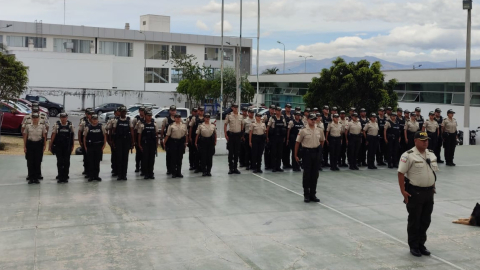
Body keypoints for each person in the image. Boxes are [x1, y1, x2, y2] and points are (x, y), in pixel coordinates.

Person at [398, 131, 438, 257]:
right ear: (415, 140)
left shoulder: (431, 153)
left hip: (428, 192)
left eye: (426, 140)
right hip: (415, 192)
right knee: (415, 220)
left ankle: (421, 244)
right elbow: (400, 173)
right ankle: (414, 246)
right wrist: (403, 191)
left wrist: (433, 185)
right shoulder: (408, 155)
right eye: (422, 140)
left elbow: (431, 172)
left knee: (426, 220)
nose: (425, 142)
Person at [295, 114, 325, 203]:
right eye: (311, 119)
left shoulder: (319, 130)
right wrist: (295, 155)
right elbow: (297, 143)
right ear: (307, 120)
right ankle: (306, 195)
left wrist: (319, 151)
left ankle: (313, 194)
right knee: (307, 174)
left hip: (316, 154)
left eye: (314, 119)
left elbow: (322, 141)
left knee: (315, 174)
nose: (313, 121)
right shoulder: (303, 130)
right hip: (307, 154)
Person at [49, 113, 74, 183]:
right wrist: (50, 145)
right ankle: (60, 176)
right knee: (60, 161)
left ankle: (65, 176)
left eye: (65, 117)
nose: (63, 119)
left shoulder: (70, 125)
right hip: (59, 146)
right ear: (60, 118)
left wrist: (72, 145)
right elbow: (53, 135)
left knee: (66, 161)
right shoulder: (57, 125)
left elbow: (72, 135)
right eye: (62, 117)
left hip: (67, 147)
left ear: (67, 118)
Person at [23, 113, 47, 184]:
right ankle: (31, 177)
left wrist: (44, 145)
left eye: (36, 118)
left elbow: (44, 136)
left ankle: (36, 177)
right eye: (33, 118)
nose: (35, 119)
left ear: (38, 119)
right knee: (30, 162)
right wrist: (24, 146)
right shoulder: (28, 126)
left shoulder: (42, 126)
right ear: (32, 119)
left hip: (38, 145)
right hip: (30, 144)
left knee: (37, 161)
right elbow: (25, 136)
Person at [112, 106, 135, 180]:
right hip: (119, 141)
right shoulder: (116, 120)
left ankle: (124, 175)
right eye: (122, 112)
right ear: (120, 112)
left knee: (125, 158)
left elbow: (131, 131)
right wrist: (113, 142)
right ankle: (119, 174)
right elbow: (114, 131)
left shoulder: (129, 120)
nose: (123, 113)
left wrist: (132, 141)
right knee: (119, 158)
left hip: (126, 141)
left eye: (125, 112)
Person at [83, 114, 107, 182]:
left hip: (98, 146)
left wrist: (104, 145)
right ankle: (91, 176)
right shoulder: (88, 127)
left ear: (98, 120)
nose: (95, 121)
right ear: (91, 120)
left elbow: (105, 135)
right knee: (91, 162)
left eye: (96, 119)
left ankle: (96, 176)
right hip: (90, 147)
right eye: (93, 119)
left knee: (97, 162)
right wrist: (85, 146)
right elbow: (84, 137)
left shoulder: (101, 126)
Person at [165, 113, 188, 178]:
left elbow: (186, 135)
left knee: (180, 158)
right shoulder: (171, 126)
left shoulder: (184, 125)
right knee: (173, 158)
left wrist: (186, 143)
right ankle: (173, 173)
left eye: (179, 117)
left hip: (181, 143)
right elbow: (167, 135)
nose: (178, 119)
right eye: (177, 117)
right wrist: (164, 143)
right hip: (173, 143)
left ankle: (179, 172)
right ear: (174, 118)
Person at [138, 111, 159, 179]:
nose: (150, 117)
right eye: (148, 116)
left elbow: (156, 134)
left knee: (151, 159)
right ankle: (146, 173)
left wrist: (157, 143)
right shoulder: (142, 125)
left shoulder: (154, 125)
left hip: (152, 144)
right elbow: (139, 135)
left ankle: (151, 173)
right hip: (145, 144)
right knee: (145, 159)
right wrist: (139, 144)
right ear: (145, 116)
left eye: (150, 116)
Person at [225, 103, 244, 174]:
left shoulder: (240, 116)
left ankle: (235, 168)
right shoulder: (229, 115)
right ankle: (230, 168)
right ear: (232, 108)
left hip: (238, 136)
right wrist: (225, 135)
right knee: (231, 153)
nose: (236, 108)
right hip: (231, 136)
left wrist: (242, 134)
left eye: (237, 107)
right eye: (234, 107)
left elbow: (242, 125)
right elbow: (225, 125)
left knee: (237, 153)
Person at [267, 107, 287, 172]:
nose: (279, 112)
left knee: (279, 153)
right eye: (278, 111)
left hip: (280, 138)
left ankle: (278, 166)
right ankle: (273, 167)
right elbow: (268, 128)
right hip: (274, 138)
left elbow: (284, 128)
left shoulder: (282, 118)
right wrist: (267, 137)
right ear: (275, 111)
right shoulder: (272, 118)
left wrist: (284, 137)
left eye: (280, 110)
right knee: (273, 153)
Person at [161, 105, 177, 175]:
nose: (173, 112)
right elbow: (162, 129)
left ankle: (175, 168)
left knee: (176, 155)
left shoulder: (178, 118)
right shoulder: (166, 119)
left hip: (176, 139)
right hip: (169, 140)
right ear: (169, 111)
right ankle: (169, 169)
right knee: (169, 155)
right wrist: (161, 139)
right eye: (172, 110)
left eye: (174, 110)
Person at [189, 107, 205, 173]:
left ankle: (202, 166)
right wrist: (189, 136)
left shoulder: (205, 118)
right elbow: (191, 128)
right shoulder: (194, 118)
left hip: (203, 138)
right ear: (198, 111)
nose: (201, 112)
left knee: (203, 153)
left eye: (202, 111)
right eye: (200, 111)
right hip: (195, 138)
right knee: (196, 153)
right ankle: (196, 167)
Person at [78, 108, 93, 176]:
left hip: (93, 141)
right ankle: (86, 170)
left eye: (92, 113)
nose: (91, 115)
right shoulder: (83, 121)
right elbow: (80, 131)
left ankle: (91, 170)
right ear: (86, 114)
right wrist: (80, 141)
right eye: (89, 113)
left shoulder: (95, 120)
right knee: (86, 156)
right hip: (85, 141)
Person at [107, 109, 121, 177]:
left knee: (121, 157)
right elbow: (108, 129)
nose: (119, 113)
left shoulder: (125, 120)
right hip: (114, 140)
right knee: (114, 156)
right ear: (115, 113)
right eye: (118, 111)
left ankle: (120, 170)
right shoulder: (112, 120)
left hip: (121, 141)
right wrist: (109, 140)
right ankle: (114, 170)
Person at [132, 106, 146, 173]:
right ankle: (137, 166)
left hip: (145, 138)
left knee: (144, 155)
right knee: (138, 155)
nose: (142, 112)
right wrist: (134, 141)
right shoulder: (136, 119)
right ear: (139, 111)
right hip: (138, 138)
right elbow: (134, 130)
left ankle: (143, 167)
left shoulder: (147, 118)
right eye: (141, 110)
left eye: (143, 110)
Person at [263, 105, 276, 170]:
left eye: (274, 109)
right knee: (267, 150)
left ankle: (272, 164)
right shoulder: (266, 115)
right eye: (272, 109)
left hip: (273, 135)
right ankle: (267, 165)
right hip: (268, 135)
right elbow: (262, 123)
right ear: (269, 109)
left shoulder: (275, 116)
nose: (273, 110)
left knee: (273, 151)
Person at [282, 104, 294, 169]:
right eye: (288, 107)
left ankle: (288, 163)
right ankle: (284, 163)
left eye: (290, 107)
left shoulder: (292, 116)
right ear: (285, 108)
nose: (289, 109)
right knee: (284, 150)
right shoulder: (283, 115)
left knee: (289, 149)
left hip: (291, 134)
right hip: (285, 133)